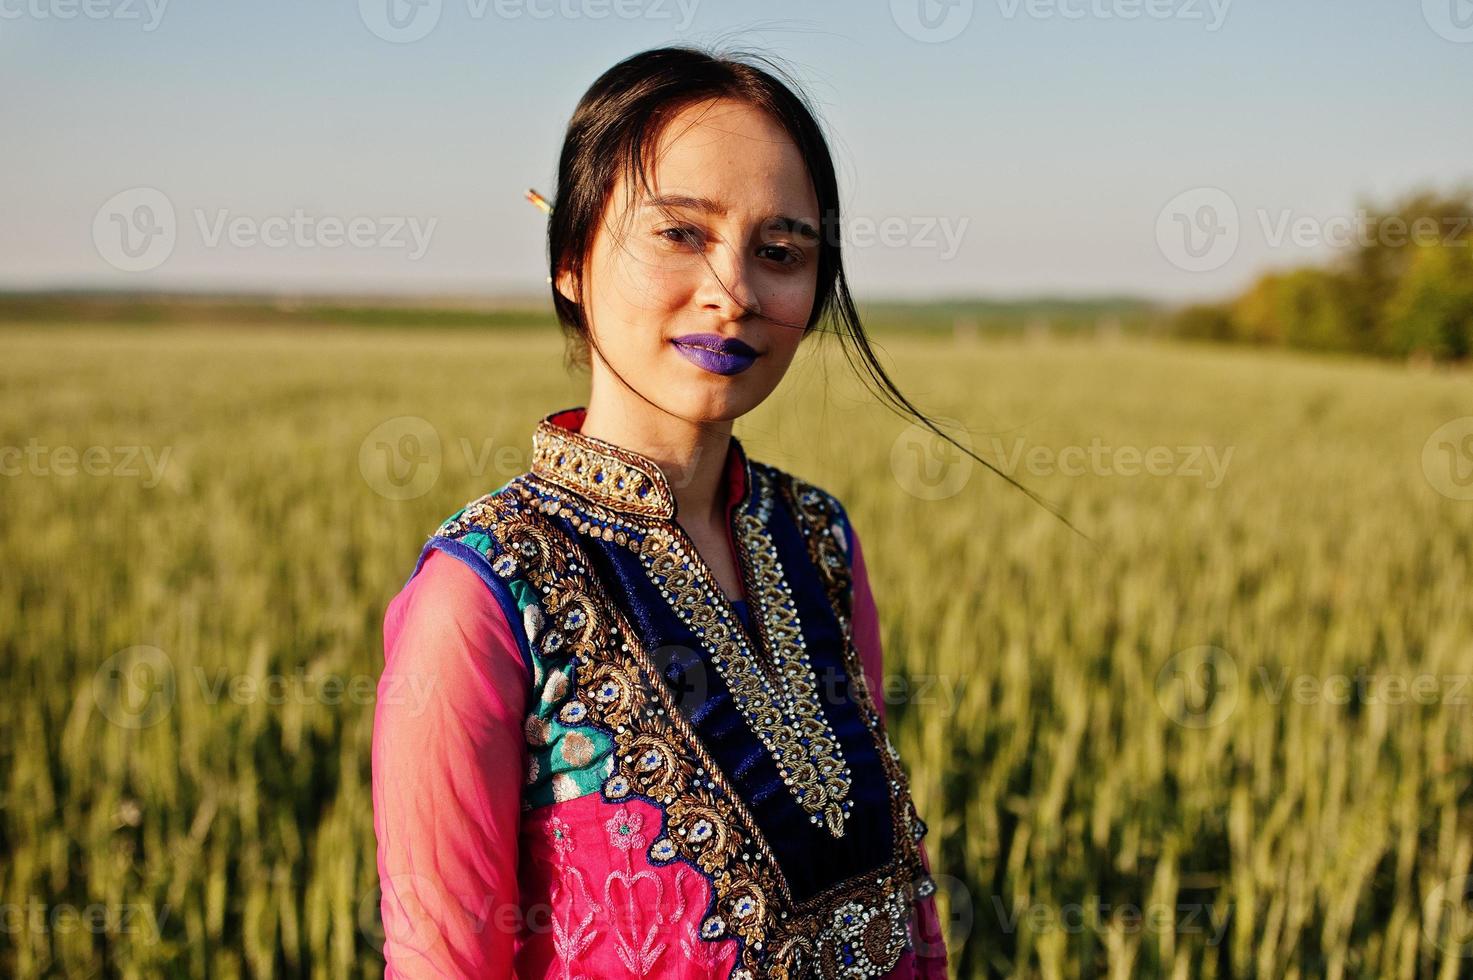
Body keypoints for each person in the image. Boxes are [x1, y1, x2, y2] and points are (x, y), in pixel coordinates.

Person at [372, 44, 952, 978]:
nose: (734, 292)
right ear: (570, 257)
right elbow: (441, 959)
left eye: (781, 252)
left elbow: (904, 899)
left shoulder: (818, 540)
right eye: (680, 234)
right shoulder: (484, 597)